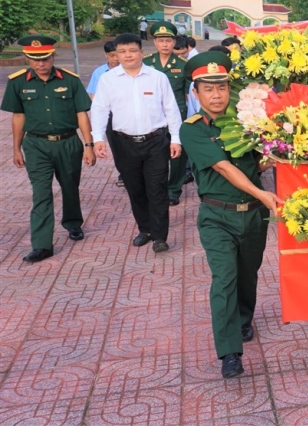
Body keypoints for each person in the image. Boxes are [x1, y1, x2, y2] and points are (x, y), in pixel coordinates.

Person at [179, 51, 279, 378]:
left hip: (253, 217)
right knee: (225, 279)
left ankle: (245, 319)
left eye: (221, 87)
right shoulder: (192, 129)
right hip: (217, 217)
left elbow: (252, 165)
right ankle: (229, 352)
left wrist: (277, 154)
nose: (217, 95)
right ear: (196, 93)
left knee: (248, 272)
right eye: (208, 89)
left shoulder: (244, 123)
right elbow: (223, 168)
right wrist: (263, 193)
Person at [2, 35, 95, 263]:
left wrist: (89, 145)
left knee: (70, 186)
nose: (40, 64)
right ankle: (42, 245)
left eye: (44, 58)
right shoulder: (18, 82)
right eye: (34, 59)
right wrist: (16, 149)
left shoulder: (70, 80)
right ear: (26, 58)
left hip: (68, 143)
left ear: (53, 56)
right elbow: (18, 116)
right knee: (41, 193)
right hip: (36, 145)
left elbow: (81, 114)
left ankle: (73, 224)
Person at [92, 33, 183, 254]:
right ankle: (146, 229)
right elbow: (100, 109)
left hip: (155, 142)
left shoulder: (157, 77)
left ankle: (160, 237)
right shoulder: (108, 79)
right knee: (135, 189)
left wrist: (176, 139)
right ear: (116, 54)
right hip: (124, 143)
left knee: (157, 189)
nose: (128, 55)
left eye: (132, 51)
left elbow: (171, 109)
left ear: (142, 52)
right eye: (122, 52)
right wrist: (97, 139)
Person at [143, 21, 189, 205]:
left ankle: (173, 189)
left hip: (177, 115)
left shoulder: (183, 64)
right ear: (155, 42)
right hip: (152, 117)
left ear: (173, 42)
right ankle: (156, 187)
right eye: (161, 40)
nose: (164, 44)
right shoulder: (146, 63)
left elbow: (187, 95)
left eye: (168, 40)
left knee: (177, 155)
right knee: (154, 154)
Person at [87, 41, 124, 187]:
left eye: (117, 55)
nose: (115, 59)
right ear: (106, 55)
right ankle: (123, 173)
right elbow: (93, 94)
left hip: (125, 115)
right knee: (116, 146)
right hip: (109, 117)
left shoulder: (127, 70)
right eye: (111, 55)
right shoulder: (99, 72)